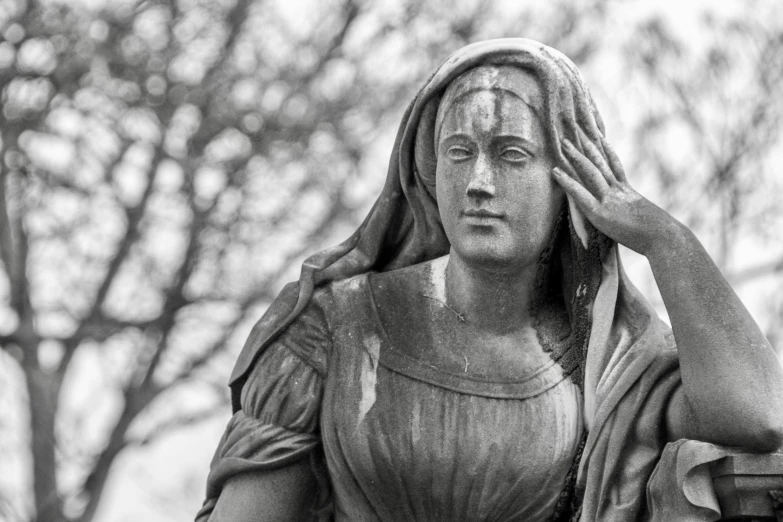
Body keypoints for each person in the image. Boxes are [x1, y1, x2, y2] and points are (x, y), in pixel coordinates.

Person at [195, 38, 783, 521]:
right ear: (429, 173)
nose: (479, 182)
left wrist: (665, 240)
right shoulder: (334, 327)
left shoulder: (611, 362)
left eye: (511, 155)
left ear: (568, 184)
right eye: (458, 152)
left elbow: (758, 418)